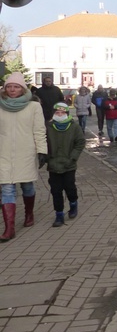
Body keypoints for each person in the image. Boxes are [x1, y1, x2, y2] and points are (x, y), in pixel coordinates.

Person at [0, 72, 47, 242]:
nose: (12, 90)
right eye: (9, 87)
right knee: (7, 189)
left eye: (16, 86)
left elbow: (39, 130)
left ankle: (29, 214)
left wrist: (42, 151)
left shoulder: (33, 106)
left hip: (26, 153)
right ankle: (9, 228)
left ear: (22, 88)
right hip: (3, 154)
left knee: (27, 186)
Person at [46, 102, 86, 227]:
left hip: (69, 164)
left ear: (67, 114)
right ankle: (59, 215)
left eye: (62, 113)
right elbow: (42, 141)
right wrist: (46, 157)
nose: (59, 115)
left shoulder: (74, 127)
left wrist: (72, 158)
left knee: (70, 187)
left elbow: (80, 142)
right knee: (56, 191)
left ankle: (73, 204)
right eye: (57, 113)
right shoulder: (49, 126)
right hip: (53, 164)